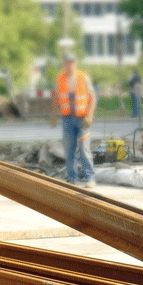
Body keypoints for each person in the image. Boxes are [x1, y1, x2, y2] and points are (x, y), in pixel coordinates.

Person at [51, 52, 97, 187]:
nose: (69, 65)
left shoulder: (83, 77)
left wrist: (90, 115)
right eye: (67, 62)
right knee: (69, 149)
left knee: (84, 149)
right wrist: (53, 114)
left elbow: (92, 97)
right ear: (64, 64)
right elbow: (56, 97)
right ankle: (72, 179)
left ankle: (90, 178)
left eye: (71, 62)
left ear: (75, 63)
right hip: (67, 119)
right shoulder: (60, 78)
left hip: (82, 119)